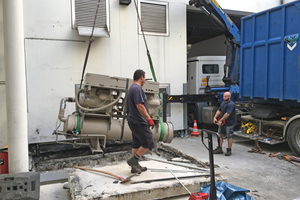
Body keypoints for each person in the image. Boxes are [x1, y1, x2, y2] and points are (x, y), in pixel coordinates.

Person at [126, 69, 155, 174]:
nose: (144, 80)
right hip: (138, 121)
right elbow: (140, 106)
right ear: (141, 77)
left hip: (132, 120)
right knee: (149, 142)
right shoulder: (137, 89)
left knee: (137, 143)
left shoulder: (131, 89)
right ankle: (133, 160)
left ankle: (135, 167)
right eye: (144, 78)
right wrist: (149, 119)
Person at [213, 91, 236, 156]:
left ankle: (229, 150)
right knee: (220, 134)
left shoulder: (231, 104)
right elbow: (219, 110)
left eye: (225, 96)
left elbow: (227, 114)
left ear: (229, 97)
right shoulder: (222, 103)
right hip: (223, 122)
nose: (224, 97)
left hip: (229, 123)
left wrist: (220, 120)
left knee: (229, 136)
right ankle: (219, 148)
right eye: (223, 96)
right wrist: (215, 117)